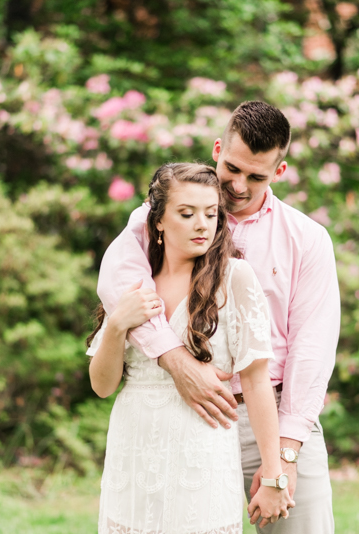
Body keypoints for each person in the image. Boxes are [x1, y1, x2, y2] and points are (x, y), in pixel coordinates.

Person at [98, 101, 340, 532]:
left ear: (279, 173)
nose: (239, 185)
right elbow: (119, 282)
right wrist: (176, 362)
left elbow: (313, 349)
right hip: (188, 417)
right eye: (232, 168)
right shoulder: (169, 214)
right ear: (216, 150)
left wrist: (283, 457)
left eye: (257, 176)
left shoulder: (307, 240)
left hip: (276, 413)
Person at [88, 163, 294, 534]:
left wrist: (274, 475)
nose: (203, 224)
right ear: (159, 221)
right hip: (132, 454)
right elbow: (102, 386)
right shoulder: (133, 284)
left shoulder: (235, 278)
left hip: (201, 455)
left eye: (211, 213)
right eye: (187, 213)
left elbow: (256, 381)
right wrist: (118, 323)